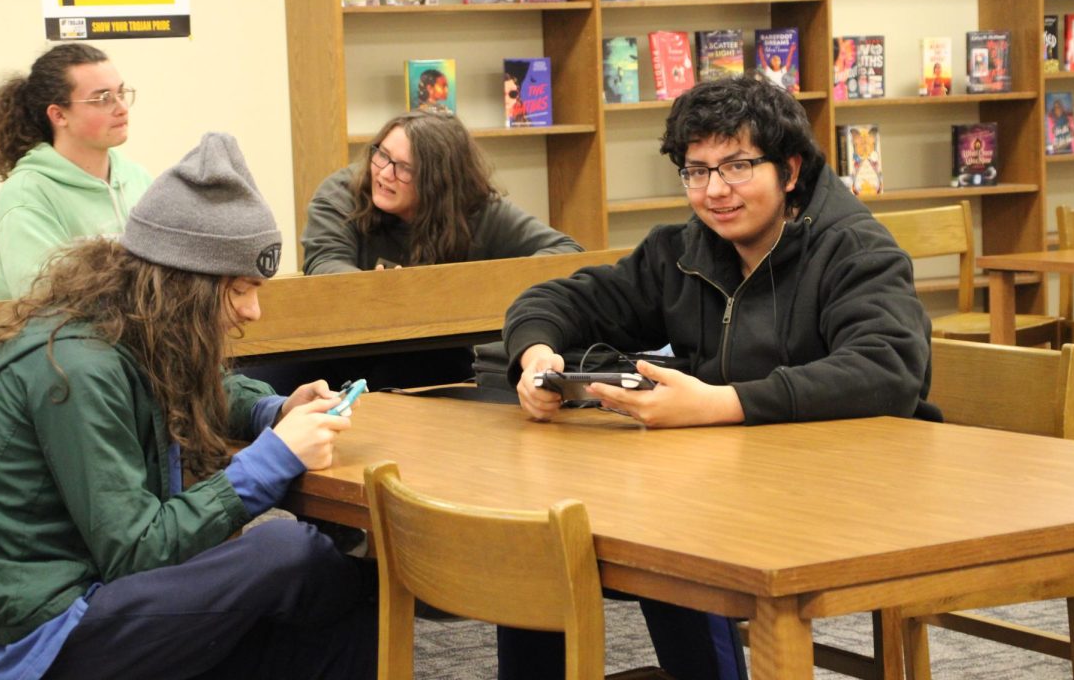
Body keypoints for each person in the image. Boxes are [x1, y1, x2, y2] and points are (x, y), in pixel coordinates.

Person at [500, 75, 936, 680]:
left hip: (855, 491)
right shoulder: (682, 250)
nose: (714, 191)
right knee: (540, 542)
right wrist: (536, 354)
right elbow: (555, 299)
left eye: (736, 167)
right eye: (696, 171)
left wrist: (721, 403)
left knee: (672, 533)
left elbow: (887, 370)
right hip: (735, 485)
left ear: (788, 171)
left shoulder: (855, 249)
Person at [0, 133, 377, 680]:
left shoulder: (117, 325)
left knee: (347, 615)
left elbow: (200, 387)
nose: (254, 310)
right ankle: (396, 587)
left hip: (99, 595)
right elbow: (138, 548)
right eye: (238, 290)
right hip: (50, 633)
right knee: (288, 553)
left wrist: (273, 411)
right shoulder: (76, 370)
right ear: (185, 286)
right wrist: (275, 456)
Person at [302, 109, 581, 273]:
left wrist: (490, 282)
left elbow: (567, 252)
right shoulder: (340, 194)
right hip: (356, 346)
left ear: (438, 183)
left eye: (404, 168)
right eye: (382, 155)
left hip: (448, 346)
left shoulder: (472, 207)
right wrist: (372, 290)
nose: (385, 174)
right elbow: (325, 266)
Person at [0, 43, 153, 301]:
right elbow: (44, 302)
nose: (121, 108)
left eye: (121, 93)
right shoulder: (27, 195)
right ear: (59, 115)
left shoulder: (138, 179)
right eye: (103, 98)